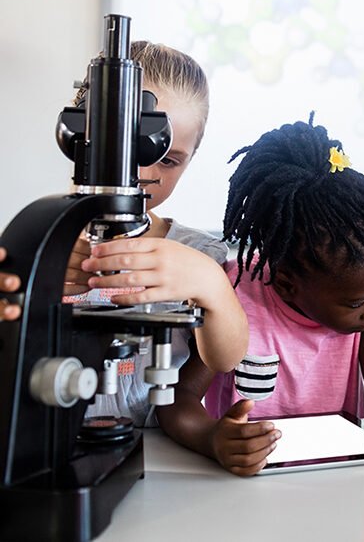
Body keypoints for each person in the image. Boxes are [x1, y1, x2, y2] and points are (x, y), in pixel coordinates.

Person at [157, 116, 364, 477]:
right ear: (287, 285)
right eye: (358, 303)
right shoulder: (236, 299)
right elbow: (177, 401)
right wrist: (213, 438)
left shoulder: (363, 298)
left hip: (336, 476)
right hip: (254, 479)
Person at [36, 42, 247, 427]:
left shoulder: (198, 254)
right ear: (80, 134)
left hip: (156, 452)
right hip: (48, 438)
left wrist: (211, 285)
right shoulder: (38, 235)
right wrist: (36, 275)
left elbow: (225, 359)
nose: (142, 172)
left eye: (167, 159)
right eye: (128, 149)